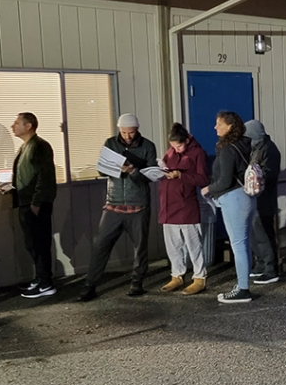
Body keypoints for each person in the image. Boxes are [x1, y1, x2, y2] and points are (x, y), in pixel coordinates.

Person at [78, 114, 157, 302]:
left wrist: (132, 171)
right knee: (100, 245)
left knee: (140, 246)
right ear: (118, 130)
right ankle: (90, 285)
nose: (128, 136)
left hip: (138, 203)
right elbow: (101, 169)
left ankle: (137, 282)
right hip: (113, 203)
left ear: (137, 129)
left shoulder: (148, 146)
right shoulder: (110, 143)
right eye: (124, 132)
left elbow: (150, 176)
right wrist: (113, 168)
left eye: (131, 132)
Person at [202, 111, 255, 304]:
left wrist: (208, 188)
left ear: (230, 126)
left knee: (238, 245)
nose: (215, 128)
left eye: (219, 124)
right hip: (247, 198)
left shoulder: (227, 150)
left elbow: (224, 180)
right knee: (244, 244)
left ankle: (243, 289)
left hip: (233, 199)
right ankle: (242, 284)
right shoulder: (245, 144)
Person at [5, 112, 57, 298]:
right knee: (32, 243)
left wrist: (37, 202)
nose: (13, 125)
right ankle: (40, 277)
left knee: (39, 243)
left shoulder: (39, 146)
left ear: (28, 126)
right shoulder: (26, 147)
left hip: (35, 204)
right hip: (26, 201)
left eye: (17, 122)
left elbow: (45, 176)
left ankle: (45, 283)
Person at [158, 123, 209, 296]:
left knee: (193, 243)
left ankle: (199, 277)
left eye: (179, 146)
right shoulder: (171, 152)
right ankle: (177, 275)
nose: (176, 149)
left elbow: (203, 178)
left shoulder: (198, 153)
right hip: (167, 204)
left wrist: (181, 175)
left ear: (187, 140)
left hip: (186, 204)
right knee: (173, 244)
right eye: (173, 146)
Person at [245, 120, 282, 285]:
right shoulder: (256, 147)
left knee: (264, 234)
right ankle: (260, 264)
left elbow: (269, 173)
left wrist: (255, 176)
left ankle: (270, 268)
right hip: (255, 198)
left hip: (264, 199)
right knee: (254, 233)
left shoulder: (269, 149)